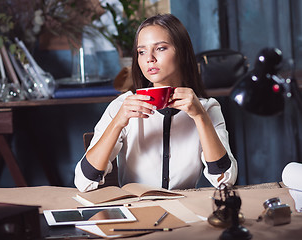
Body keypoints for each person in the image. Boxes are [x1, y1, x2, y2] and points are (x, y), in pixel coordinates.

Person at [74, 13, 237, 192]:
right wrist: (118, 122)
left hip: (185, 211)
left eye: (160, 48)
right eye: (141, 51)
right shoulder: (123, 106)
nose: (149, 58)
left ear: (182, 53)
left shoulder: (207, 108)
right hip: (136, 211)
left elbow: (224, 180)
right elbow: (84, 182)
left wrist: (200, 117)